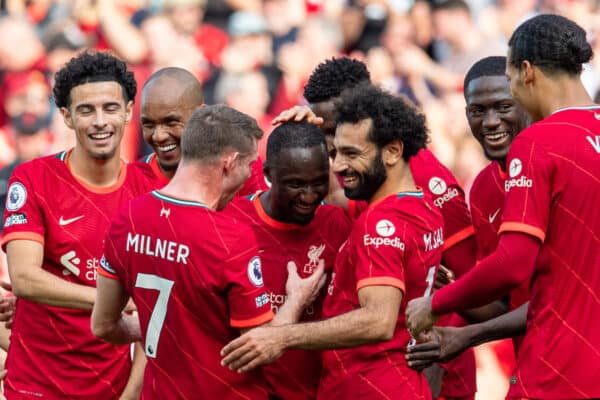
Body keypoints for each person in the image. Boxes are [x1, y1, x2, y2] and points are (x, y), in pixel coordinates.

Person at [407, 14, 600, 398]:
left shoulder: (538, 143)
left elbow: (513, 264)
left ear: (526, 72)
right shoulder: (487, 185)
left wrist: (435, 302)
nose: (492, 120)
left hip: (560, 367)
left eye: (509, 81)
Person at [275, 56, 485, 399]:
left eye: (334, 130)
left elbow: (469, 291)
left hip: (427, 369)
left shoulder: (426, 184)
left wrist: (282, 335)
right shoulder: (377, 183)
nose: (331, 150)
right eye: (324, 133)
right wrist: (293, 141)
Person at [221, 83, 442, 399]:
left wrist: (282, 337)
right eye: (335, 153)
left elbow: (378, 320)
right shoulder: (421, 207)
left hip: (371, 387)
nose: (338, 166)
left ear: (393, 151)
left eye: (352, 153)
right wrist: (310, 137)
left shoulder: (380, 223)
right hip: (392, 382)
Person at [92, 105, 325, 399]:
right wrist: (297, 299)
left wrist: (162, 325)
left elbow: (103, 325)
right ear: (230, 162)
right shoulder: (229, 237)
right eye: (250, 165)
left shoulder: (129, 216)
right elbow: (263, 346)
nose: (251, 175)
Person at [1, 51, 157, 399]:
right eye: (86, 110)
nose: (100, 121)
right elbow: (24, 278)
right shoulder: (33, 177)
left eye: (111, 108)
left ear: (130, 111)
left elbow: (155, 315)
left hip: (111, 389)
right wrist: (113, 301)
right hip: (34, 388)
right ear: (67, 117)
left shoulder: (148, 191)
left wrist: (130, 396)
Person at [406, 56, 531, 379]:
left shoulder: (558, 169)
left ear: (528, 101)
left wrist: (464, 332)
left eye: (503, 107)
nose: (490, 122)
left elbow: (559, 298)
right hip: (530, 364)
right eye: (478, 111)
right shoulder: (484, 189)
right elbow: (502, 302)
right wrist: (454, 293)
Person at [224, 121, 352, 399]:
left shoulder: (337, 225)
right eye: (295, 184)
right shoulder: (232, 222)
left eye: (318, 183)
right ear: (269, 173)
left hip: (318, 391)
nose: (308, 196)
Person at [139, 66, 268, 194]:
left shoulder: (242, 166)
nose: (158, 136)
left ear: (200, 114)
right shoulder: (135, 179)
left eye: (171, 122)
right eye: (149, 124)